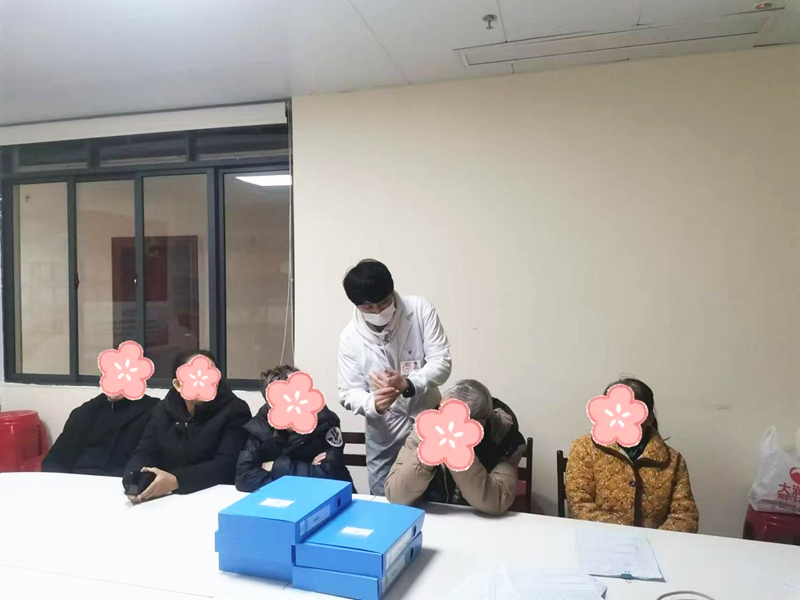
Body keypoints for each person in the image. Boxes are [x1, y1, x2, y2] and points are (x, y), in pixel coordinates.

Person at [337, 259, 452, 495]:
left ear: (392, 291)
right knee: (384, 498)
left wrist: (409, 384)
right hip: (385, 432)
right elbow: (348, 392)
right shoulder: (349, 338)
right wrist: (372, 403)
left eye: (383, 303)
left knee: (438, 495)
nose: (378, 312)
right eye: (368, 307)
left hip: (428, 421)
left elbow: (441, 363)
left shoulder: (420, 310)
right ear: (356, 305)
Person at [565, 377, 699, 533]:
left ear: (648, 418)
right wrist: (622, 537)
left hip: (656, 543)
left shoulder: (673, 461)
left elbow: (685, 515)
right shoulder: (584, 448)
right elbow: (579, 505)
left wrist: (653, 540)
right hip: (598, 540)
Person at [122, 350, 251, 502]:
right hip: (167, 499)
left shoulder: (236, 410)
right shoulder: (163, 409)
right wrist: (134, 479)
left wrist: (176, 480)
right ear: (177, 384)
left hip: (215, 495)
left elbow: (227, 464)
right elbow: (146, 450)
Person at [384, 379, 526, 515]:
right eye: (442, 411)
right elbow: (396, 495)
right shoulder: (425, 428)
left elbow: (497, 501)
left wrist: (459, 455)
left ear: (480, 423)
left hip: (479, 521)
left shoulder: (504, 438)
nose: (444, 421)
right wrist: (427, 455)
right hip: (431, 515)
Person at [235, 365, 353, 492]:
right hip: (281, 497)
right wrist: (309, 468)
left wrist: (276, 466)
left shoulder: (326, 421)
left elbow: (330, 474)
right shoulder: (260, 425)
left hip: (329, 494)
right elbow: (244, 478)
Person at [42, 391, 159, 477]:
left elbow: (150, 458)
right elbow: (55, 460)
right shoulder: (84, 412)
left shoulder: (154, 411)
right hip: (77, 482)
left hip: (121, 484)